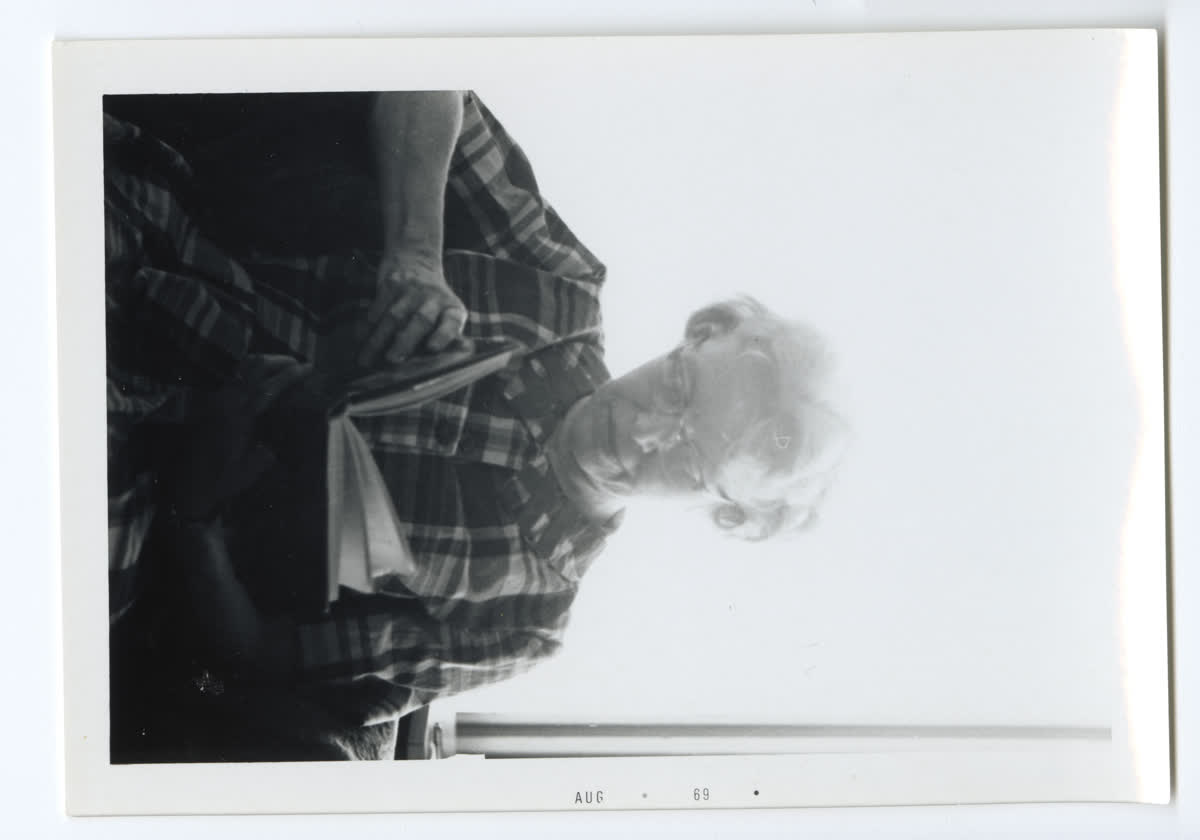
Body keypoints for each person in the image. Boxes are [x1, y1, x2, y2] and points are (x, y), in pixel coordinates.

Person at [104, 91, 848, 760]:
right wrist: (417, 255)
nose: (645, 431)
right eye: (678, 388)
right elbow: (427, 71)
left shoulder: (528, 620)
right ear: (700, 333)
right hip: (159, 257)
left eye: (687, 463)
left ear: (717, 509)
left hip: (131, 497)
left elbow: (263, 659)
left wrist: (195, 521)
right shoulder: (557, 294)